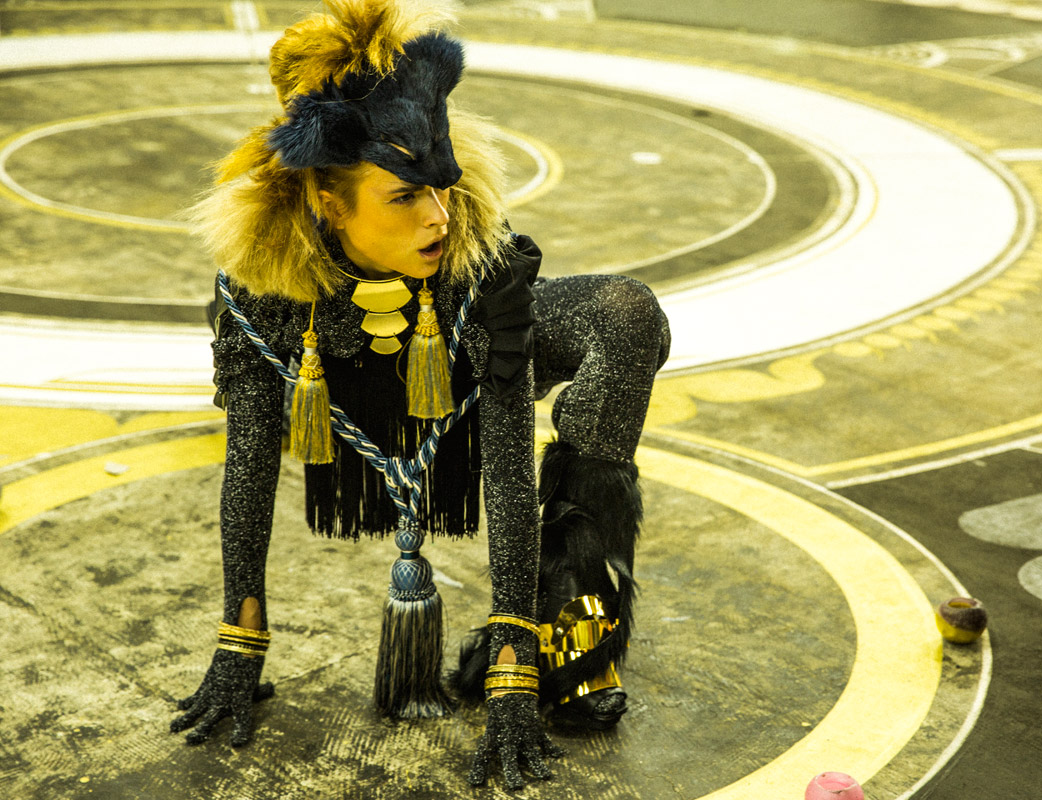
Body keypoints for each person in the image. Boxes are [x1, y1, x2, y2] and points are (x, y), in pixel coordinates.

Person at [168, 0, 670, 790]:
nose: (439, 216)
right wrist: (240, 642)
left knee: (627, 316)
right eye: (404, 197)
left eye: (442, 186)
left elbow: (507, 465)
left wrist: (513, 672)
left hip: (455, 364)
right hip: (341, 380)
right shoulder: (263, 280)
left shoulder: (470, 253)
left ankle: (567, 614)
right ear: (328, 202)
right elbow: (251, 462)